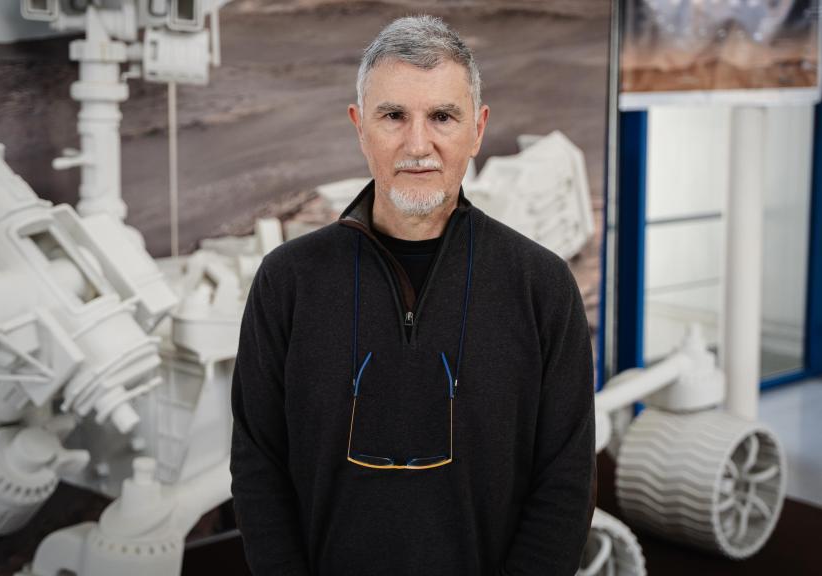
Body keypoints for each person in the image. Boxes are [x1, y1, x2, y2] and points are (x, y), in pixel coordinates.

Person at [230, 15, 595, 575]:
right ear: (360, 127)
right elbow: (259, 468)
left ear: (477, 128)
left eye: (442, 117)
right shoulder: (287, 282)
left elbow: (565, 484)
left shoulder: (541, 287)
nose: (418, 144)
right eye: (393, 116)